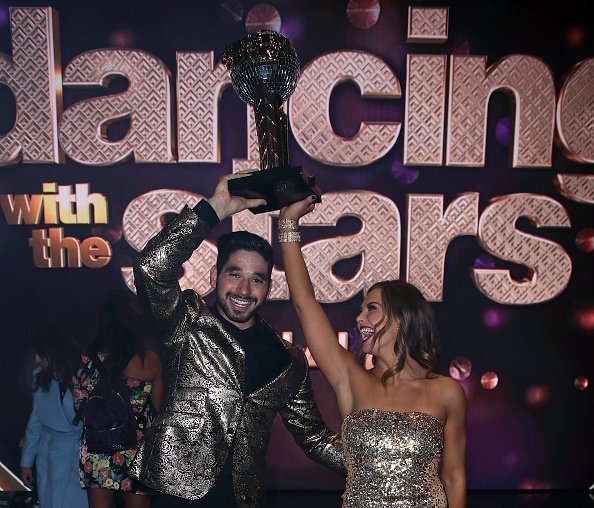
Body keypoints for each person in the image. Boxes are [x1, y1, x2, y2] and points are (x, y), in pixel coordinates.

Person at [129, 173, 345, 508]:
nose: (244, 290)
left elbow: (315, 438)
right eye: (235, 274)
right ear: (215, 276)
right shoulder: (186, 322)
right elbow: (151, 267)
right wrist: (214, 209)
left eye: (257, 279)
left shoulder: (287, 360)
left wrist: (379, 462)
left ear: (268, 287)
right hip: (178, 496)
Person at [278, 195, 467, 508]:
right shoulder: (350, 378)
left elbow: (454, 477)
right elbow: (305, 303)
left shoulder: (447, 392)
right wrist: (287, 224)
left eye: (371, 309)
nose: (359, 318)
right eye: (361, 309)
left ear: (402, 318)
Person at [72, 291, 164, 508]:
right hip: (136, 448)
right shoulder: (148, 360)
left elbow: (81, 407)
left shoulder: (86, 360)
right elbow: (160, 408)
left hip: (97, 446)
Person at [20, 327, 89, 508]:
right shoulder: (40, 379)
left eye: (40, 354)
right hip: (47, 453)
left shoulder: (82, 377)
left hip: (76, 455)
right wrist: (27, 461)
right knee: (49, 500)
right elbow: (35, 422)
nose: (37, 359)